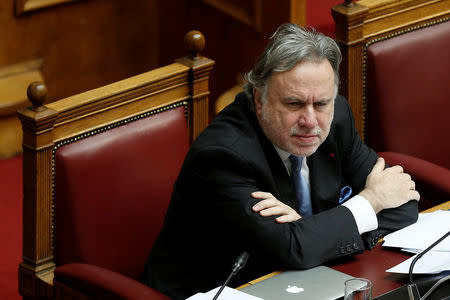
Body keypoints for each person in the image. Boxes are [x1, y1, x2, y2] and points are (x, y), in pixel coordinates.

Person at [141, 24, 419, 299]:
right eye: (294, 104)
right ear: (260, 99)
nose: (311, 122)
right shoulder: (223, 155)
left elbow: (404, 205)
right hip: (228, 290)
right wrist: (368, 203)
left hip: (304, 283)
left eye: (322, 104)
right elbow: (294, 250)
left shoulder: (337, 119)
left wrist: (313, 235)